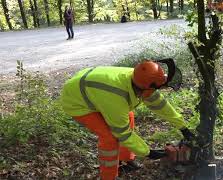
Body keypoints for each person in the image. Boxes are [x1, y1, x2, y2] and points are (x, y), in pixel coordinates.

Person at [60, 60, 194, 180]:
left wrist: (183, 127)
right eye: (155, 89)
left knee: (128, 116)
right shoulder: (116, 97)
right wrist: (147, 152)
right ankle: (108, 177)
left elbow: (160, 105)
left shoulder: (140, 78)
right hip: (77, 102)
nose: (156, 92)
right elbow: (122, 133)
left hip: (94, 89)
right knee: (110, 136)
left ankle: (126, 161)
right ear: (145, 88)